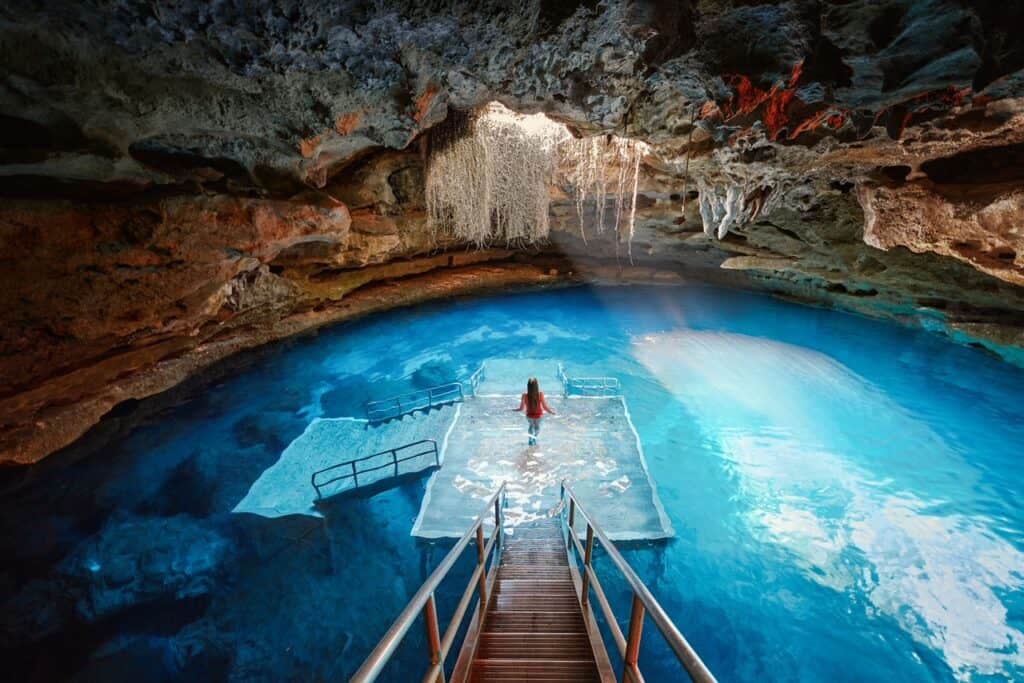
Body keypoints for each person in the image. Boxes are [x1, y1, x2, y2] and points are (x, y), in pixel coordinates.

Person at [515, 377, 556, 445]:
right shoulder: (540, 394)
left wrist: (515, 410)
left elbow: (521, 408)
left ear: (528, 385)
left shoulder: (524, 395)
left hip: (529, 415)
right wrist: (551, 412)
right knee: (537, 427)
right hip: (538, 415)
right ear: (537, 385)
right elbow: (545, 407)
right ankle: (534, 438)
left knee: (531, 426)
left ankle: (530, 439)